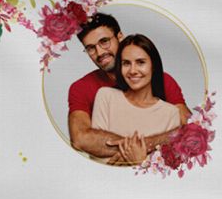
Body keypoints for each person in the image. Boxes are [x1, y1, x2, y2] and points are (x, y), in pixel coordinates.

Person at [67, 13, 186, 161]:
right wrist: (135, 150)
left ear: (120, 37)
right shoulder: (82, 88)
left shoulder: (162, 80)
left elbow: (190, 129)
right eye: (90, 48)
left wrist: (144, 148)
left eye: (104, 41)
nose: (100, 52)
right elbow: (80, 138)